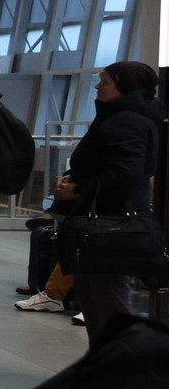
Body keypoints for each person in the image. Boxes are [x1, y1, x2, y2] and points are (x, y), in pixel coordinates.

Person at [49, 62, 163, 339]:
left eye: (106, 82)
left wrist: (78, 190)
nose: (98, 87)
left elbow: (125, 174)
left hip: (111, 224)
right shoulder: (117, 117)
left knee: (109, 301)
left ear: (125, 87)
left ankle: (121, 371)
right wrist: (72, 179)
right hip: (101, 220)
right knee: (95, 300)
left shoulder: (128, 121)